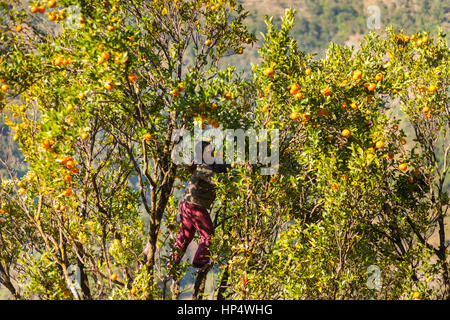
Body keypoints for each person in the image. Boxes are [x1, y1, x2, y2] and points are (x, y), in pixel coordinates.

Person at [169, 141, 230, 275]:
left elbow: (220, 167)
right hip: (195, 206)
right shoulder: (203, 167)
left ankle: (172, 266)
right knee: (208, 236)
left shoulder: (204, 164)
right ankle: (199, 262)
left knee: (185, 236)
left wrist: (230, 166)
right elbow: (219, 181)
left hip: (186, 205)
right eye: (210, 151)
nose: (213, 153)